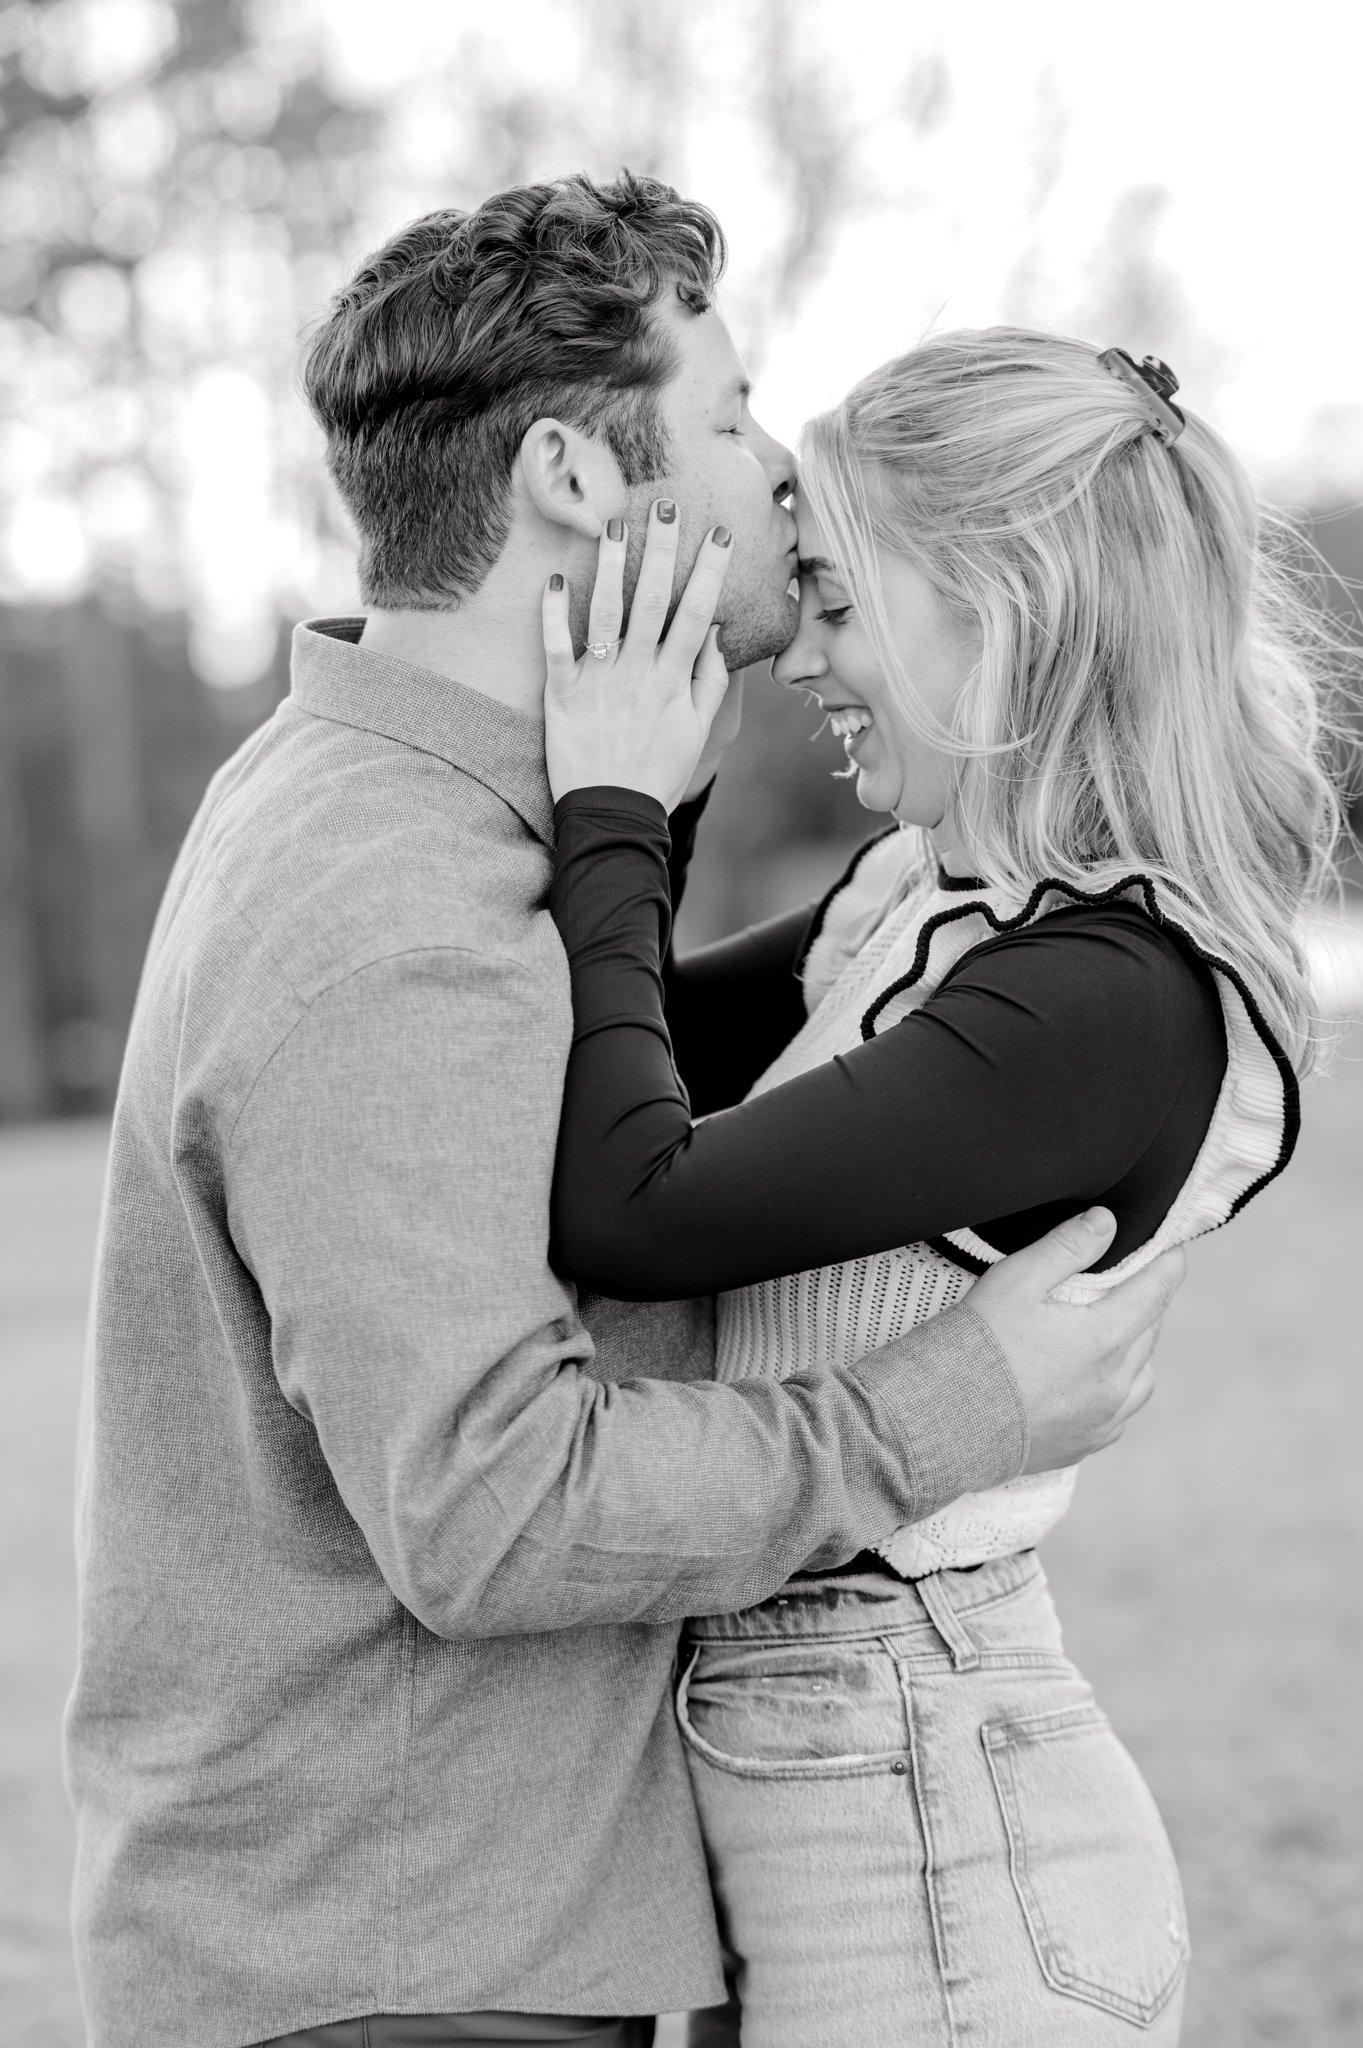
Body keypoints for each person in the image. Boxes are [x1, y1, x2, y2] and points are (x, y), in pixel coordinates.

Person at [64, 177, 1178, 2048]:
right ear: (580, 479)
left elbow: (644, 1082)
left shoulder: (404, 821)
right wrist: (957, 1406)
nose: (774, 485)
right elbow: (495, 1511)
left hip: (445, 1945)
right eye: (734, 423)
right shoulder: (388, 913)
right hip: (401, 1973)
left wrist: (635, 835)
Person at [539, 330, 1339, 2044]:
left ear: (999, 602)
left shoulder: (1108, 996)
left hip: (930, 1838)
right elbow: (600, 1059)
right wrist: (641, 821)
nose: (803, 653)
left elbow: (630, 1198)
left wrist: (618, 809)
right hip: (838, 1788)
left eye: (835, 597)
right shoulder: (922, 896)